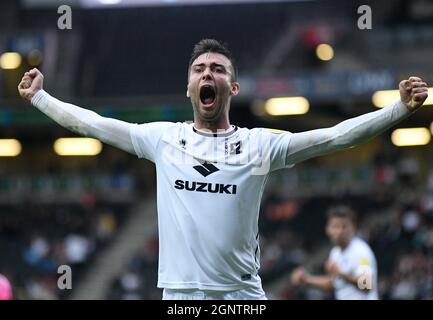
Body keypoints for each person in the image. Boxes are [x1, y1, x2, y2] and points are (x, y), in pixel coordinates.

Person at [18, 39, 428, 300]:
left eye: (217, 69)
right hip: (183, 299)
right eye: (199, 69)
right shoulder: (162, 139)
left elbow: (335, 137)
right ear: (189, 87)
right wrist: (41, 98)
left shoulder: (259, 145)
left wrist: (398, 109)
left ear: (232, 88)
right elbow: (91, 124)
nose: (207, 73)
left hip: (241, 297)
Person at [291, 205, 378, 300]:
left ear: (353, 228)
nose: (340, 231)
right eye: (335, 226)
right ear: (328, 229)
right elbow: (332, 284)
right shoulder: (335, 253)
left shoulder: (362, 252)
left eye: (344, 226)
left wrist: (340, 273)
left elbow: (366, 285)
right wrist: (306, 279)